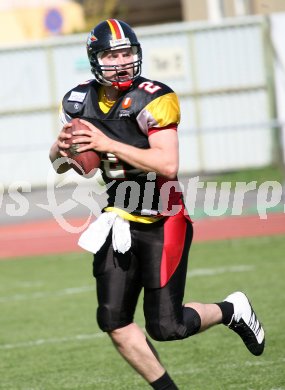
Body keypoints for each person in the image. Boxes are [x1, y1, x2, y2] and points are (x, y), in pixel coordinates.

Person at [49, 19, 265, 389]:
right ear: (95, 58)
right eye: (112, 55)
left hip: (163, 216)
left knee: (168, 327)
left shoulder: (154, 96)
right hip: (118, 217)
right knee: (113, 321)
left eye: (127, 53)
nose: (121, 61)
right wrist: (61, 147)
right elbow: (71, 167)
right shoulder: (77, 100)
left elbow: (167, 164)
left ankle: (232, 310)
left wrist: (107, 144)